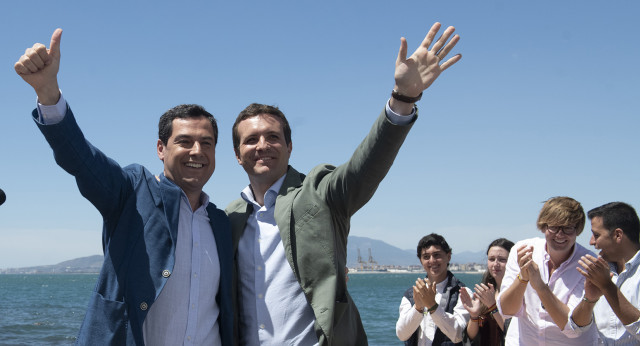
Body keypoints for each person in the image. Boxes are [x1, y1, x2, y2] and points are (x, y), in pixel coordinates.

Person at [225, 22, 461, 345]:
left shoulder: (319, 192)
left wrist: (403, 98)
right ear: (238, 155)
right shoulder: (227, 220)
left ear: (290, 147)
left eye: (273, 137)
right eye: (251, 139)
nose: (262, 145)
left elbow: (364, 168)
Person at [14, 29, 234, 345]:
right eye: (184, 141)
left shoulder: (221, 223)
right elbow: (82, 161)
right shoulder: (131, 190)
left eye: (207, 143)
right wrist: (49, 93)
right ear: (161, 148)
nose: (197, 151)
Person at [497, 196, 598, 345]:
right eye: (554, 227)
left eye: (568, 228)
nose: (560, 234)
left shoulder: (587, 262)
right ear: (544, 226)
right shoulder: (523, 250)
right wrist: (523, 278)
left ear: (578, 229)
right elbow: (506, 311)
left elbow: (572, 327)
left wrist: (540, 287)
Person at [569, 202, 640, 344]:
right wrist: (589, 300)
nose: (591, 242)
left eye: (596, 235)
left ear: (618, 235)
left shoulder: (604, 279)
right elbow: (577, 328)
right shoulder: (600, 272)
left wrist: (607, 287)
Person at [396, 233, 471, 346]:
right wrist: (418, 308)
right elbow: (402, 334)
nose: (432, 261)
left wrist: (432, 306)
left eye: (437, 255)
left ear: (448, 256)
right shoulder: (411, 294)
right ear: (421, 261)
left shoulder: (462, 293)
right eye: (426, 257)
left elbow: (458, 335)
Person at [460, 238, 514, 346]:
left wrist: (493, 306)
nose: (495, 264)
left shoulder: (518, 293)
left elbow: (512, 331)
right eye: (491, 259)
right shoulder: (485, 292)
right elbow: (470, 337)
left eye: (502, 259)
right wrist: (474, 316)